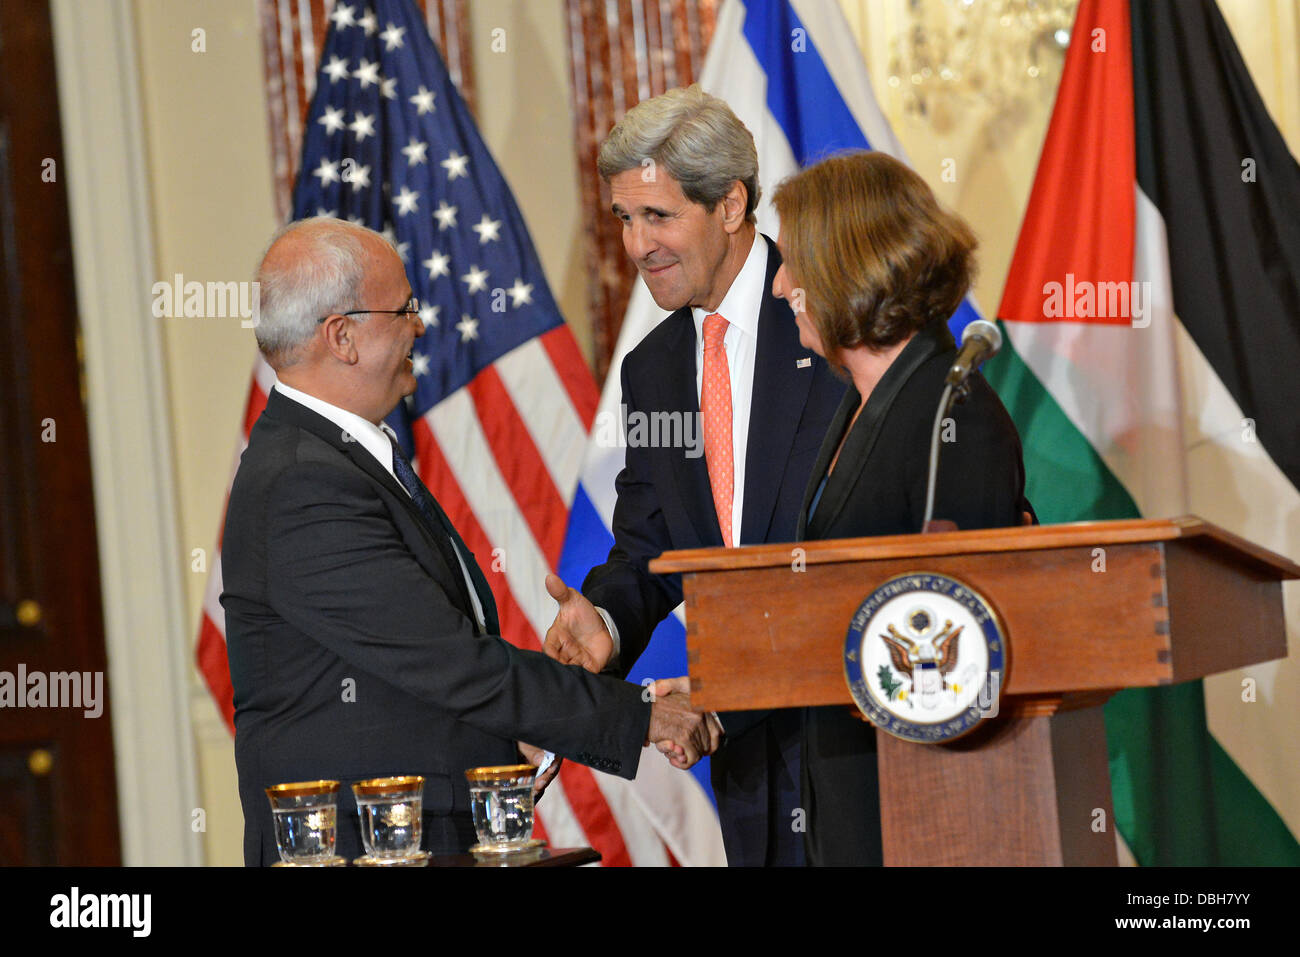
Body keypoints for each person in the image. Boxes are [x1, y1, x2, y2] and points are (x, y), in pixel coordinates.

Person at [221, 216, 718, 866]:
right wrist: (638, 713)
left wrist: (522, 733)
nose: (421, 327)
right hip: (359, 846)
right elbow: (449, 661)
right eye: (404, 309)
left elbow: (420, 674)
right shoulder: (303, 480)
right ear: (342, 336)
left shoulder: (337, 458)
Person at [541, 86, 846, 866]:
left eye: (659, 216)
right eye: (623, 219)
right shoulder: (655, 368)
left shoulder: (837, 313)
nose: (637, 246)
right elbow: (649, 541)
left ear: (732, 205)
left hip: (859, 742)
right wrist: (605, 624)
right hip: (746, 769)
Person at [769, 150, 1032, 865]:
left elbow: (968, 651)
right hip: (851, 795)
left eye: (793, 260)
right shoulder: (856, 406)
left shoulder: (955, 416)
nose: (780, 284)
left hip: (931, 811)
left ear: (846, 261)